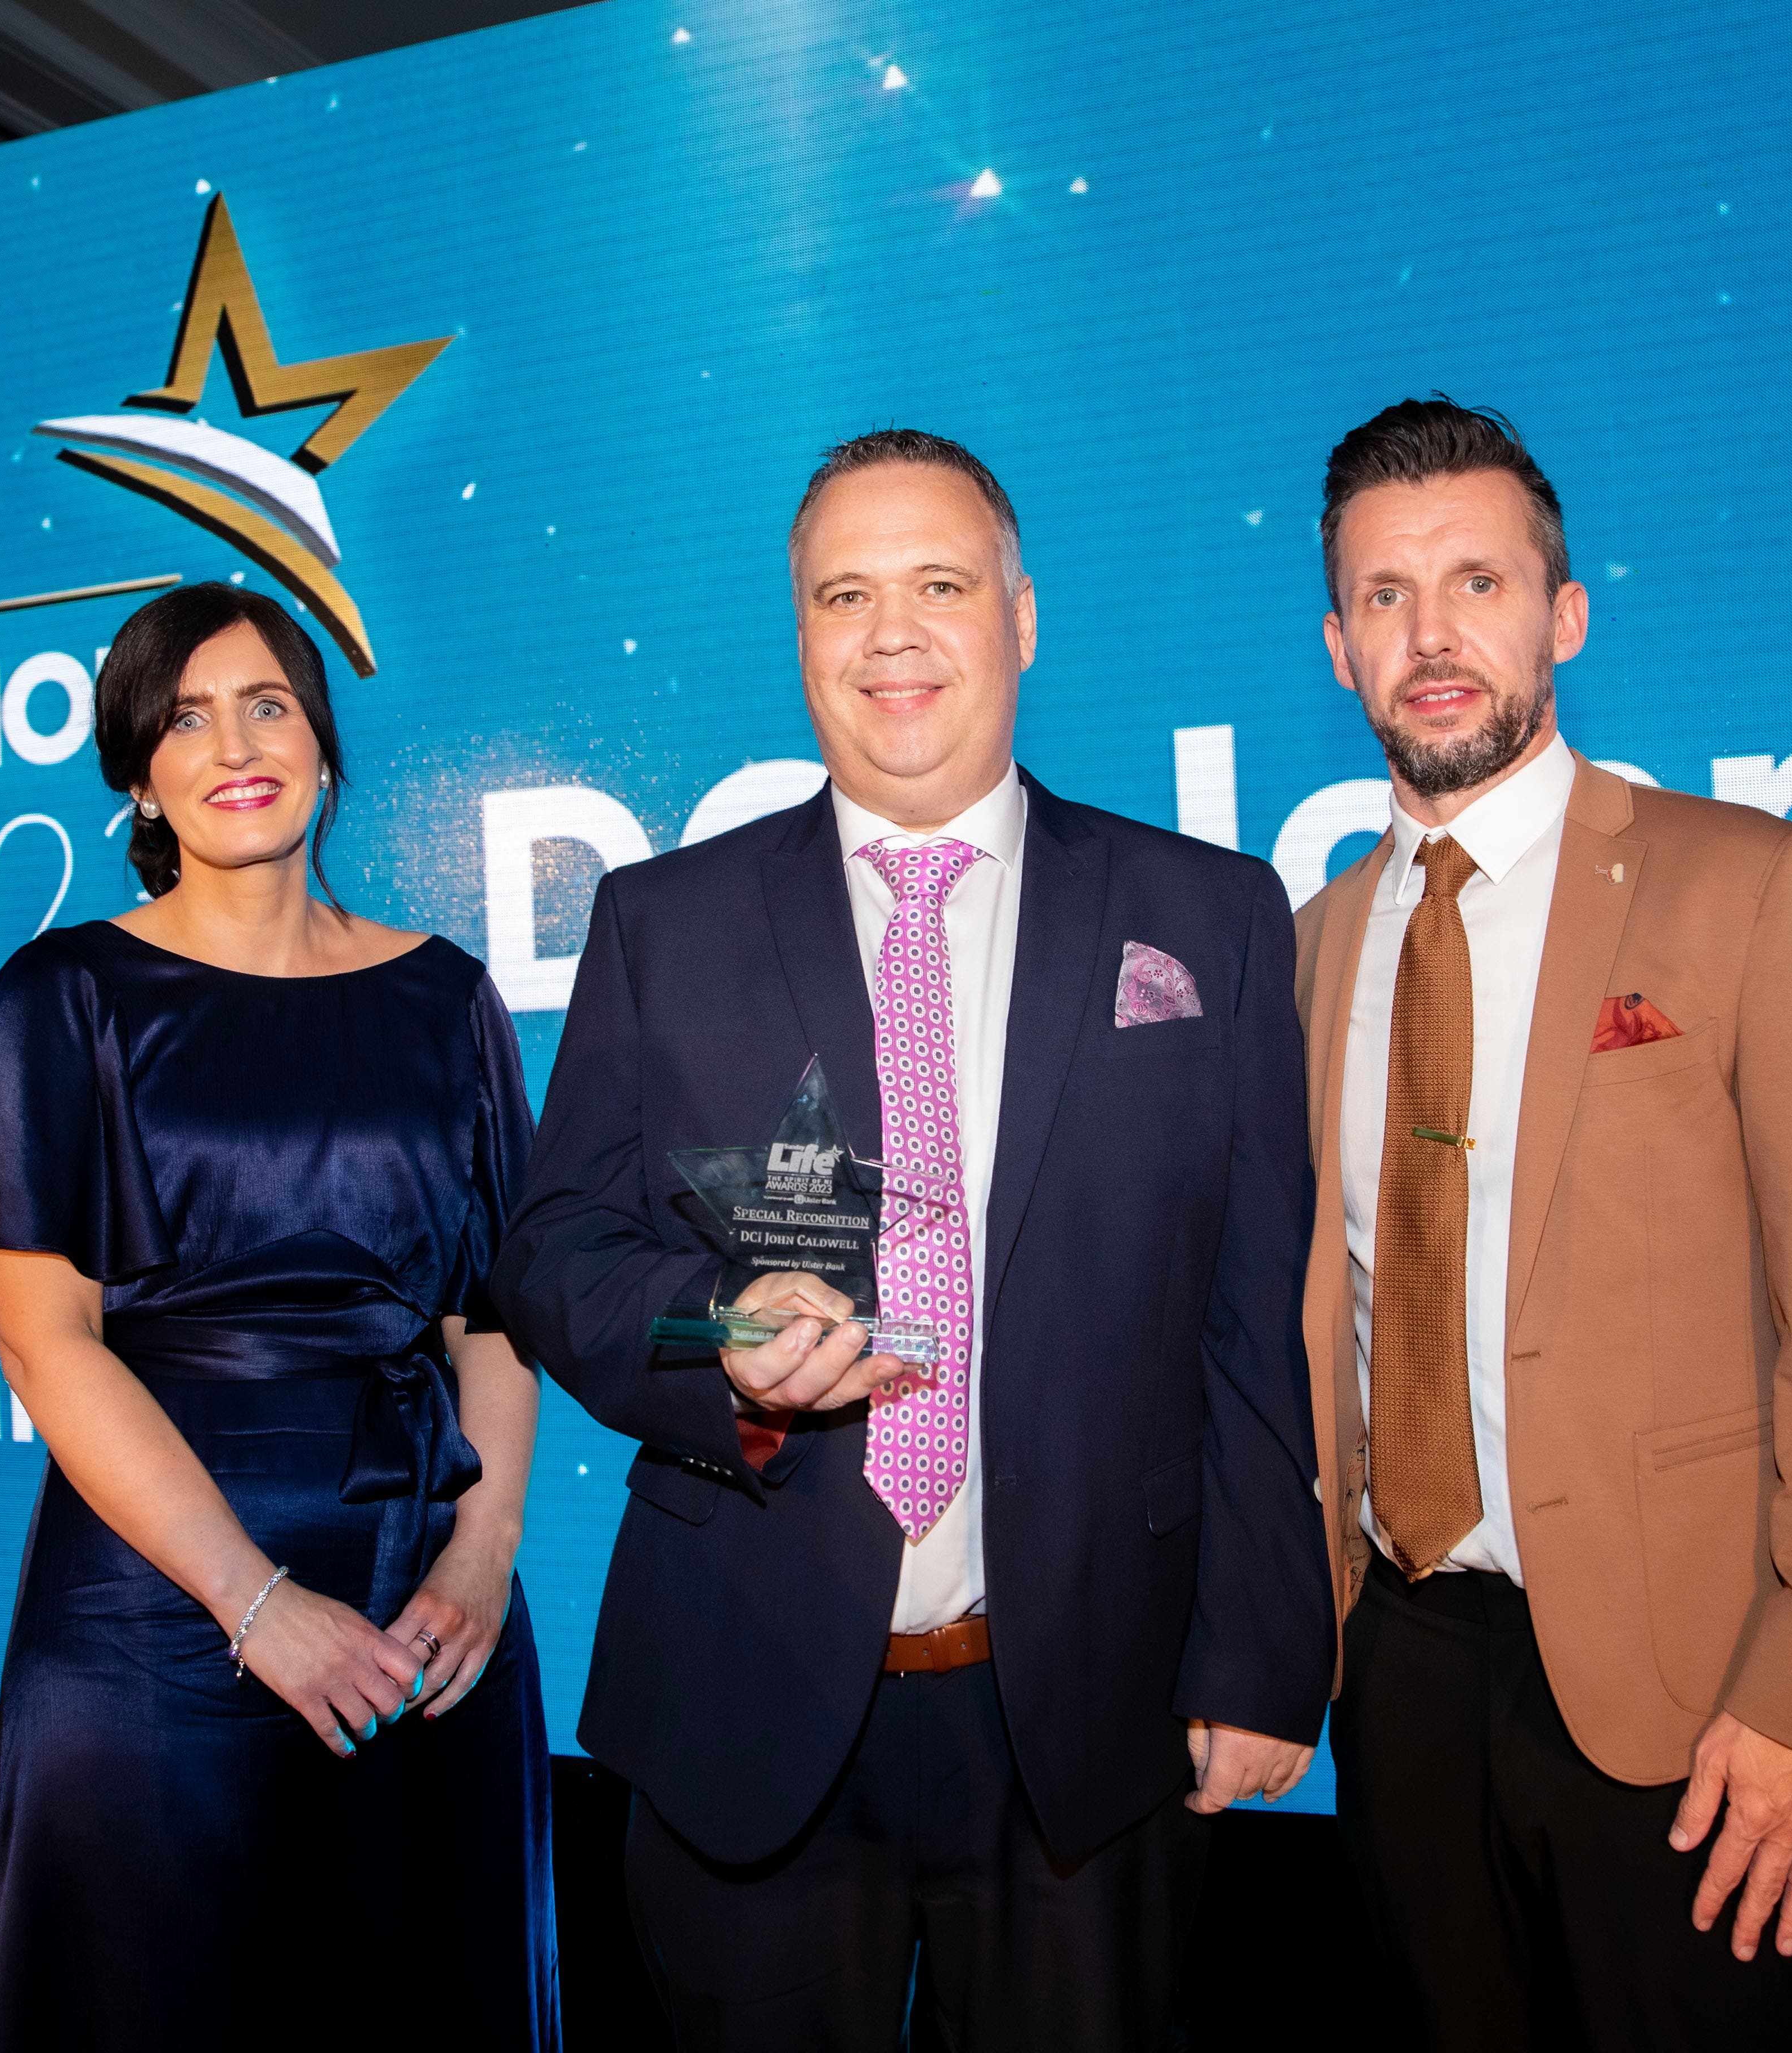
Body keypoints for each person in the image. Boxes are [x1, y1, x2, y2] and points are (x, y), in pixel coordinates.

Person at [493, 429, 1332, 2052]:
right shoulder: (665, 925)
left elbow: (1252, 1318)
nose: (892, 635)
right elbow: (557, 1255)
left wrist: (1264, 1649)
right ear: (799, 634)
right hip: (744, 1702)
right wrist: (712, 1339)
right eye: (845, 595)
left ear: (1022, 616)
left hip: (1096, 1712)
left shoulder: (1209, 917)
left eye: (939, 586)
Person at [1294, 397, 1792, 2048]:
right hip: (1403, 1671)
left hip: (1692, 1693)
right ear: (1337, 645)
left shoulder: (1747, 886)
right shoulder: (1302, 950)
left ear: (1563, 615)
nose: (1433, 635)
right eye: (1384, 596)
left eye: (1478, 583)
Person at [0, 584, 558, 2048]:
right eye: (183, 719)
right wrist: (253, 1605)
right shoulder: (64, 995)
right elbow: (46, 1341)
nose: (235, 743)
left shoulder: (448, 997)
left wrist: (482, 1553)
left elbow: (501, 1313)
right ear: (138, 775)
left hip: (426, 1624)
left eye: (268, 702)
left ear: (325, 746)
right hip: (156, 1625)